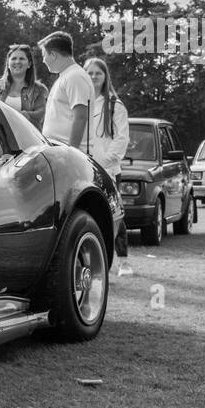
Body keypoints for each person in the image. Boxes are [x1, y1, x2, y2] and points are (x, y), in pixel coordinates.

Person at [83, 56, 132, 276]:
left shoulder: (114, 105)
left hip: (107, 170)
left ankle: (123, 261)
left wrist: (104, 162)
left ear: (105, 76)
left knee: (115, 215)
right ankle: (92, 262)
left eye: (98, 73)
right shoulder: (80, 101)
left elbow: (121, 139)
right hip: (83, 168)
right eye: (90, 73)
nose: (93, 77)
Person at [38, 31, 91, 149]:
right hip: (57, 150)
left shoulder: (75, 76)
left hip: (69, 154)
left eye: (43, 55)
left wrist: (71, 153)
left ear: (53, 55)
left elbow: (81, 117)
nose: (43, 60)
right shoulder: (66, 76)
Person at [0, 44, 48, 128]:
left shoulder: (39, 89)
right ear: (8, 64)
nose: (17, 61)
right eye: (14, 58)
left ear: (29, 64)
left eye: (22, 58)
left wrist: (22, 115)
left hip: (26, 139)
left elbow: (40, 118)